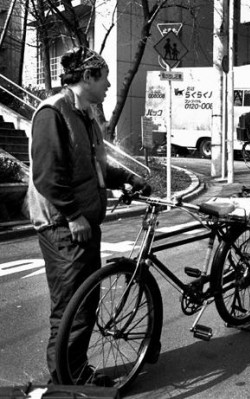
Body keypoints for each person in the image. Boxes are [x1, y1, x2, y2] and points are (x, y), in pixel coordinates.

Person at [26, 47, 152, 385]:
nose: (109, 84)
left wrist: (129, 179)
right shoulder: (53, 113)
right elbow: (48, 175)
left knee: (85, 302)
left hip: (83, 223)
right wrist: (73, 216)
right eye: (105, 77)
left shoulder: (84, 115)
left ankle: (75, 372)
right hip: (63, 226)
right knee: (70, 307)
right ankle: (64, 382)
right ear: (88, 77)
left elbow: (97, 166)